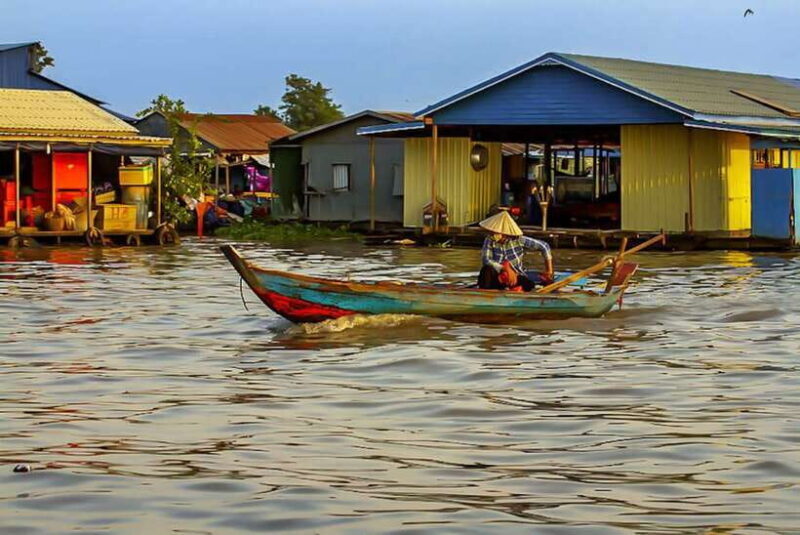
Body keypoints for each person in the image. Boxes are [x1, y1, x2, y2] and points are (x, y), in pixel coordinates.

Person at [477, 210, 554, 291]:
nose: (492, 234)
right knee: (486, 270)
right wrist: (504, 268)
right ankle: (485, 293)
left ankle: (515, 290)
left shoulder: (518, 240)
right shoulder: (489, 240)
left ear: (504, 233)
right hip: (498, 276)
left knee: (527, 283)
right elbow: (486, 260)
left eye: (495, 232)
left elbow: (544, 246)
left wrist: (549, 270)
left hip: (515, 276)